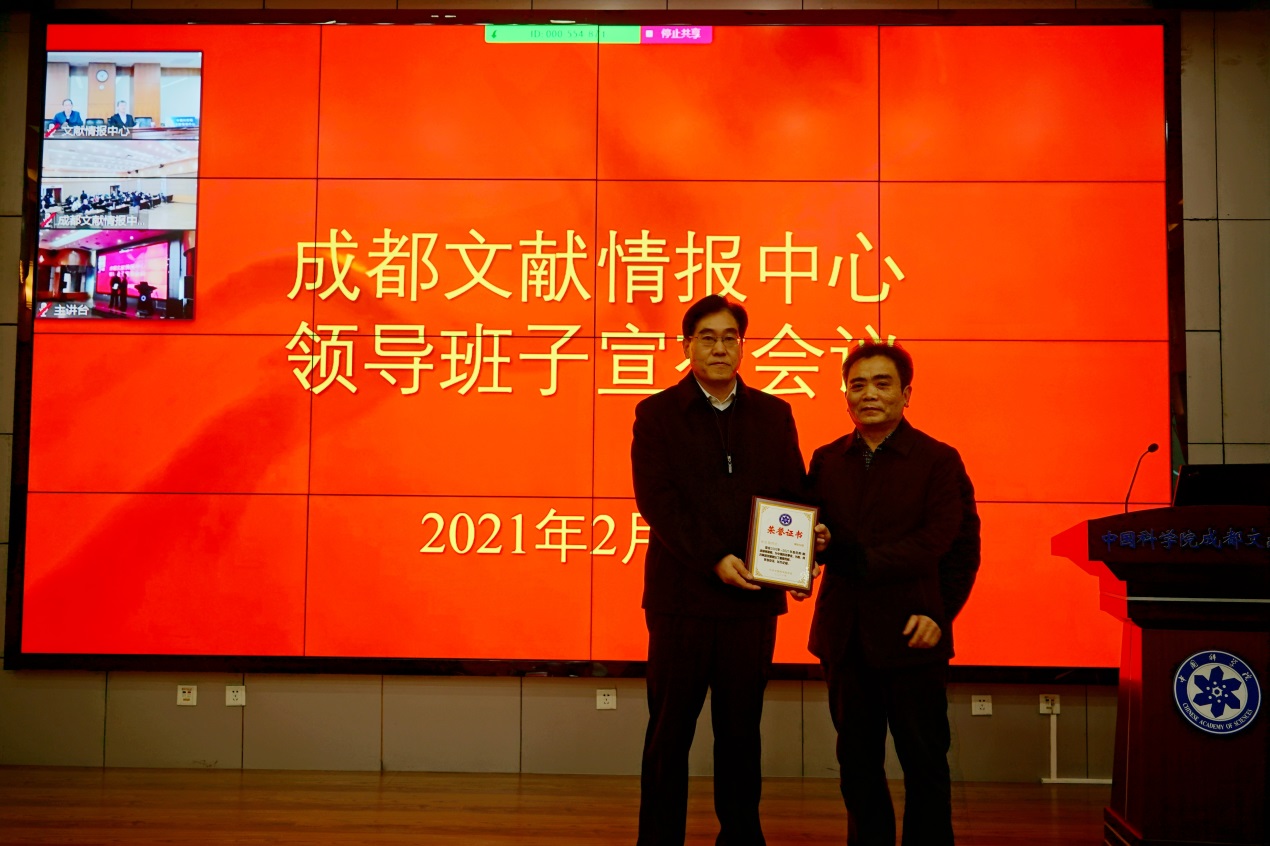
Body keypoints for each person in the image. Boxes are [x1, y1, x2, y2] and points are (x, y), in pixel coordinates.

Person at [632, 294, 824, 846]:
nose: (719, 348)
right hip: (680, 601)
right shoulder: (657, 414)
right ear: (686, 345)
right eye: (707, 337)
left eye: (729, 338)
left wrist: (806, 548)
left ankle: (741, 836)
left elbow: (792, 494)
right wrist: (714, 557)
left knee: (740, 732)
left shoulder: (773, 414)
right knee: (669, 730)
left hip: (751, 603)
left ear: (742, 346)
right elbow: (658, 502)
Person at [807, 342, 980, 846]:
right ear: (845, 395)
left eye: (882, 384)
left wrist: (940, 616)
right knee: (856, 764)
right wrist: (803, 557)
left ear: (906, 394)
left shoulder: (937, 460)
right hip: (845, 637)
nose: (869, 394)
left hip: (913, 634)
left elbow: (952, 546)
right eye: (857, 385)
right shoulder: (827, 460)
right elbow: (810, 532)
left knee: (924, 763)